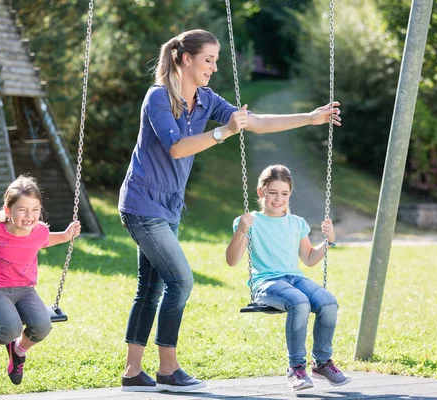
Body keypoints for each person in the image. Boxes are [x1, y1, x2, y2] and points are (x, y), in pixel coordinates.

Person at [118, 29, 341, 393]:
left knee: (151, 287)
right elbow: (177, 148)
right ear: (184, 58)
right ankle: (168, 368)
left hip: (169, 206)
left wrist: (310, 118)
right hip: (142, 204)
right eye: (208, 59)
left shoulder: (205, 99)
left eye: (216, 60)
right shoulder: (158, 97)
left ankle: (132, 371)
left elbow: (254, 122)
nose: (213, 67)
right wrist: (222, 133)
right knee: (181, 280)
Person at [225, 164, 351, 391]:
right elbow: (232, 260)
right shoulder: (249, 221)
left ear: (290, 194)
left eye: (284, 193)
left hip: (293, 279)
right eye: (272, 192)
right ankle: (296, 368)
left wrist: (329, 241)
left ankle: (321, 362)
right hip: (266, 283)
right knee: (299, 302)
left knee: (329, 303)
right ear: (260, 192)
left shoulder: (297, 223)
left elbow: (310, 258)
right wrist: (241, 230)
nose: (278, 199)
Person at [0, 175, 81, 386]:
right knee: (11, 327)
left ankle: (18, 350)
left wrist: (65, 235)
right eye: (22, 209)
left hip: (25, 290)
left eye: (35, 210)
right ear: (8, 211)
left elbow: (46, 239)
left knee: (43, 326)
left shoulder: (39, 231)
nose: (30, 216)